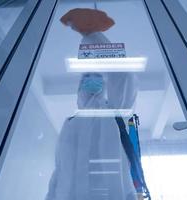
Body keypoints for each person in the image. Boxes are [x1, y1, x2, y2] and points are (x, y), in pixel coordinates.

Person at [46, 8, 139, 200]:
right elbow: (118, 79)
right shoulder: (102, 114)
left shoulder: (98, 114)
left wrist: (91, 35)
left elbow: (115, 79)